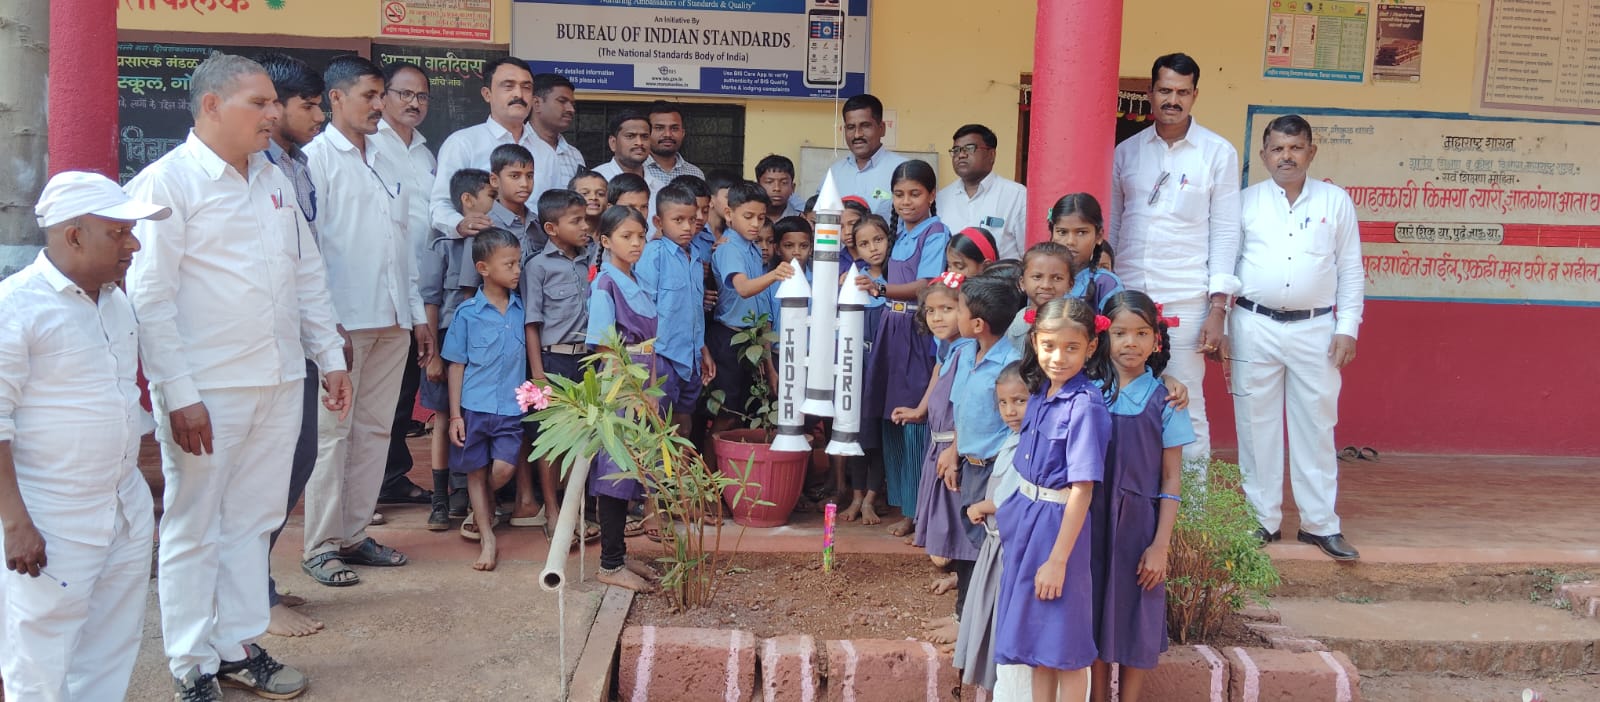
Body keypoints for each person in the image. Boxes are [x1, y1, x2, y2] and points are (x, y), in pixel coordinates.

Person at [124, 52, 351, 701]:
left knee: (254, 519)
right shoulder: (166, 184)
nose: (272, 112)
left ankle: (237, 645)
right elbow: (150, 299)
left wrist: (329, 357)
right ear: (211, 106)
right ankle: (191, 664)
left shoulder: (272, 177)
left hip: (278, 378)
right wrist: (177, 393)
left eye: (274, 101)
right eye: (259, 102)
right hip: (207, 389)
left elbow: (306, 273)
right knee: (195, 524)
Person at [0, 172, 168, 702]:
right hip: (51, 516)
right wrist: (15, 523)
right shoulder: (15, 307)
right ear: (74, 236)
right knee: (39, 663)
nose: (133, 245)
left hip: (122, 506)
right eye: (119, 233)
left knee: (110, 652)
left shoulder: (115, 302)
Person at [301, 55, 428, 587]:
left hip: (393, 317)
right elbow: (308, 249)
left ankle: (354, 535)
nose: (380, 106)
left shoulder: (388, 157)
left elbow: (404, 243)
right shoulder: (315, 160)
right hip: (343, 323)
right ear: (336, 98)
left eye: (382, 96)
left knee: (375, 429)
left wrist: (417, 316)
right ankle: (320, 546)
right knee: (333, 434)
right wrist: (324, 324)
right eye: (370, 96)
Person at [1231, 114, 1364, 561]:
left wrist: (1347, 327)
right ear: (1263, 154)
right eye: (1277, 149)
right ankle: (1262, 520)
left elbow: (1350, 269)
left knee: (1316, 425)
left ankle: (1319, 524)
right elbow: (1226, 265)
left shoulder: (1335, 201)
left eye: (1295, 147)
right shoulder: (1244, 203)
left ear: (1311, 151)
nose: (1286, 156)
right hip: (1254, 324)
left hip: (1316, 328)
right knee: (1256, 426)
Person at [1108, 52, 1241, 467]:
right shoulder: (1126, 152)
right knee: (1121, 396)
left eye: (1182, 92)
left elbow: (1225, 232)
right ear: (1150, 93)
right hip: (1129, 297)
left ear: (1195, 95)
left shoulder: (1217, 153)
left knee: (1186, 402)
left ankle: (1193, 504)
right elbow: (1112, 226)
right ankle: (1134, 495)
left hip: (1186, 299)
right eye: (1165, 90)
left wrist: (1218, 308)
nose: (1173, 100)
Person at [994, 297, 1110, 702]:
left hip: (1059, 529)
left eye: (1071, 348)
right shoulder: (1041, 391)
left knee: (1064, 646)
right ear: (1034, 342)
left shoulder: (1085, 405)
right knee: (1037, 645)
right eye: (1048, 346)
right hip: (1027, 521)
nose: (1058, 357)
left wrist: (1058, 561)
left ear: (1090, 347)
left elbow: (1083, 488)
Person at [253, 51, 332, 639]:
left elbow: (307, 264)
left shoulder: (297, 166)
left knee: (297, 461)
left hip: (298, 340)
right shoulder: (249, 169)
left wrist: (325, 341)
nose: (319, 116)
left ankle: (259, 585)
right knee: (262, 475)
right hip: (253, 351)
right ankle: (253, 597)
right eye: (309, 106)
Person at [1085, 291, 1191, 702]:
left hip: (1138, 527)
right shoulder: (1087, 391)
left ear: (1156, 339)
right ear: (1102, 337)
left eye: (1142, 333)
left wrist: (1160, 545)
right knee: (1093, 610)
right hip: (1088, 518)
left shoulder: (1167, 400)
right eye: (1120, 333)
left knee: (1136, 613)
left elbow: (1171, 478)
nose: (1131, 342)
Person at [928, 275, 1025, 646]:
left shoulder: (1010, 365)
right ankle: (966, 616)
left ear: (979, 324)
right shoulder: (966, 352)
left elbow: (1013, 424)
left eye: (960, 309)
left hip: (995, 468)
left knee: (986, 546)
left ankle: (971, 624)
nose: (956, 316)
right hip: (969, 464)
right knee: (969, 542)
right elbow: (961, 408)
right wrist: (954, 452)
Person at [859, 161, 948, 540]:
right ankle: (903, 504)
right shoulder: (901, 232)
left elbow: (925, 284)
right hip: (891, 329)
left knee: (914, 423)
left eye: (915, 194)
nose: (906, 201)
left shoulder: (936, 231)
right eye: (899, 194)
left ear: (931, 195)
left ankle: (918, 511)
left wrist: (879, 289)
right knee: (891, 420)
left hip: (916, 329)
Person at [374, 61, 446, 512]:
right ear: (382, 96)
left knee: (403, 389)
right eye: (405, 93)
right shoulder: (369, 146)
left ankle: (391, 477)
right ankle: (364, 490)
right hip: (380, 287)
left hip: (420, 286)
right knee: (374, 398)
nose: (414, 103)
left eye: (421, 96)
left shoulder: (424, 152)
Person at [584, 205, 666, 592]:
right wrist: (634, 394)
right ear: (605, 241)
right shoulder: (605, 285)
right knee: (615, 473)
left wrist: (651, 391)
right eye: (626, 236)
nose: (636, 243)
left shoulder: (634, 279)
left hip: (643, 383)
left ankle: (619, 553)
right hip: (621, 388)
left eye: (640, 236)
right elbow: (605, 348)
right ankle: (610, 563)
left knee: (633, 470)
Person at [443, 228, 526, 571]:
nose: (517, 270)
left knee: (504, 468)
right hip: (474, 406)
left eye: (518, 262)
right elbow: (456, 366)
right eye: (509, 264)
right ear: (483, 268)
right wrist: (455, 416)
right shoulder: (466, 314)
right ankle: (487, 538)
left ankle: (485, 505)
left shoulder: (522, 310)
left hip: (511, 406)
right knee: (475, 471)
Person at [419, 168, 497, 530]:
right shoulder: (442, 244)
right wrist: (434, 355)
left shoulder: (494, 242)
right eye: (490, 197)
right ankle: (440, 497)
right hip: (447, 338)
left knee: (472, 414)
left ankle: (465, 489)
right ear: (467, 201)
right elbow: (431, 301)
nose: (495, 203)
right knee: (442, 417)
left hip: (483, 341)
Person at [889, 276, 967, 636]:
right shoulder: (947, 347)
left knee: (957, 536)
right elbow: (937, 371)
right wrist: (920, 410)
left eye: (947, 309)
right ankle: (961, 586)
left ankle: (965, 610)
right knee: (943, 538)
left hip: (954, 450)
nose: (937, 317)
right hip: (938, 444)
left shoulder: (968, 351)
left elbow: (968, 404)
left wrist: (954, 449)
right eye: (931, 310)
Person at [523, 189, 599, 542]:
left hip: (587, 360)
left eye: (586, 220)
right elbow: (531, 323)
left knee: (583, 439)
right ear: (551, 229)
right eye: (576, 221)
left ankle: (574, 511)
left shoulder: (589, 261)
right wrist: (538, 375)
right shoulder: (537, 267)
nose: (585, 227)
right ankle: (552, 511)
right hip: (553, 361)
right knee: (550, 441)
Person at [954, 361, 1031, 697]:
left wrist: (979, 507)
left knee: (1000, 616)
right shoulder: (1011, 439)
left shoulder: (1029, 443)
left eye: (1020, 401)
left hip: (1010, 547)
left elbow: (1012, 498)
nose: (1010, 411)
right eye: (1003, 403)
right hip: (995, 545)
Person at [709, 182, 793, 435]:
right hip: (729, 338)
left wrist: (770, 368)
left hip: (753, 339)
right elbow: (743, 288)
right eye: (748, 217)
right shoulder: (729, 248)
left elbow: (762, 312)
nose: (755, 224)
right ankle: (710, 461)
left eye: (761, 217)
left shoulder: (754, 250)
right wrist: (774, 274)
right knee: (726, 414)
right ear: (729, 214)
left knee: (746, 412)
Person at [430, 57, 540, 241]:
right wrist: (460, 224)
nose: (519, 94)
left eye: (526, 87)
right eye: (508, 86)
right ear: (487, 94)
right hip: (481, 251)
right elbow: (440, 205)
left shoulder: (546, 152)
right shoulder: (462, 144)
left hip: (537, 254)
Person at [838, 214, 893, 525]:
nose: (873, 248)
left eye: (878, 240)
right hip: (856, 368)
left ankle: (871, 497)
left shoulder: (896, 281)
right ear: (855, 249)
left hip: (883, 369)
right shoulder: (853, 279)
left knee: (879, 435)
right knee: (856, 432)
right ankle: (857, 496)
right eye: (864, 244)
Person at [936, 124, 1029, 260]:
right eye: (956, 150)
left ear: (991, 155)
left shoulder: (1017, 196)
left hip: (1000, 274)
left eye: (969, 148)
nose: (961, 155)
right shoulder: (941, 198)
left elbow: (1029, 254)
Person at [829, 94, 907, 217]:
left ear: (882, 128)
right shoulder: (834, 173)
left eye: (865, 126)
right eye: (851, 127)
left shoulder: (903, 170)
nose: (857, 135)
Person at [1049, 193, 1126, 312]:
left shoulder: (1106, 283)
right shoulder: (1042, 278)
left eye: (1081, 232)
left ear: (1098, 236)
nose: (1070, 241)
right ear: (1052, 235)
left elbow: (1119, 322)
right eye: (1062, 232)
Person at [1005, 242, 1076, 354]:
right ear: (1022, 283)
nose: (1046, 285)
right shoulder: (1014, 322)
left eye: (1057, 278)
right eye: (1037, 277)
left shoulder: (1075, 325)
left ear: (1070, 285)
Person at [528, 73, 586, 203]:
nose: (571, 109)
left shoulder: (575, 155)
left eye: (572, 104)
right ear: (536, 103)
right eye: (562, 101)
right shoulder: (517, 144)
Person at [643, 100, 705, 192]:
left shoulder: (695, 174)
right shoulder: (636, 170)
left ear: (683, 133)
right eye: (659, 128)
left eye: (674, 128)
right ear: (646, 132)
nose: (667, 134)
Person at [592, 110, 650, 181]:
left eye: (644, 137)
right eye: (630, 136)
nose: (639, 142)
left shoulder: (658, 184)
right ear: (613, 143)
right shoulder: (594, 180)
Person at [755, 154, 801, 222]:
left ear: (793, 188)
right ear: (757, 186)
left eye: (784, 182)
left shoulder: (802, 221)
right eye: (769, 182)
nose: (777, 188)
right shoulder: (745, 221)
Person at [570, 169, 609, 235]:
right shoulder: (563, 234)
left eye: (600, 194)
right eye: (585, 193)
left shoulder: (614, 234)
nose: (593, 197)